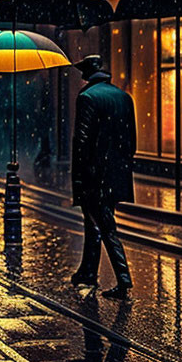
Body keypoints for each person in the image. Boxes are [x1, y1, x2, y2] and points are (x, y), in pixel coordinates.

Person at [70, 55, 136, 299]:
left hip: (94, 175)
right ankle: (87, 272)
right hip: (117, 174)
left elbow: (82, 142)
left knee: (105, 227)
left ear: (86, 75)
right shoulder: (124, 97)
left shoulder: (87, 98)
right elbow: (132, 142)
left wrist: (79, 177)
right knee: (95, 224)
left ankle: (123, 279)